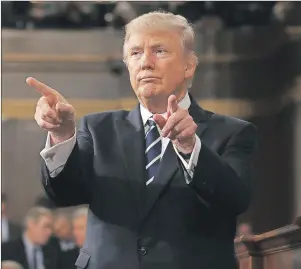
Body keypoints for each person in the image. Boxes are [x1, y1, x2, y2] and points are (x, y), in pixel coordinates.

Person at [27, 10, 257, 269]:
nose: (146, 62)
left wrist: (191, 148)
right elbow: (64, 194)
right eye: (136, 53)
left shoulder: (231, 132)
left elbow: (236, 199)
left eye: (159, 51)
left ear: (189, 65)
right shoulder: (98, 128)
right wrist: (61, 136)